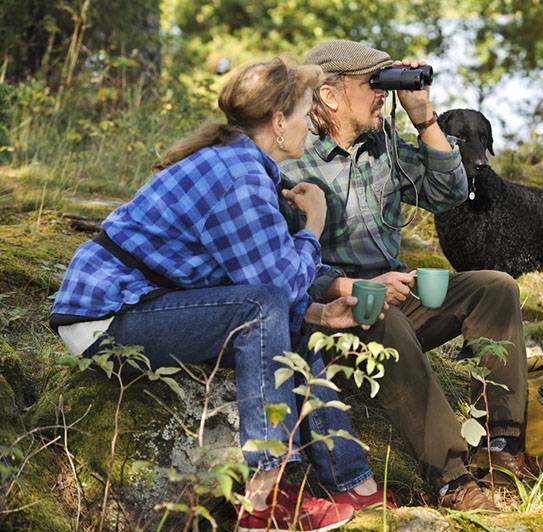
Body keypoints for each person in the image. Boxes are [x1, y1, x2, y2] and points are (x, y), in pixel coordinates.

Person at [49, 58, 392, 532]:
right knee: (263, 307)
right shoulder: (239, 177)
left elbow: (263, 275)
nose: (311, 124)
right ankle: (264, 499)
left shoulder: (242, 165)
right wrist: (315, 222)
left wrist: (315, 311)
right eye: (305, 111)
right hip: (105, 319)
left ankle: (351, 483)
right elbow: (272, 289)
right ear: (277, 123)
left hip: (139, 307)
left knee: (283, 315)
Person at [279, 40, 530, 511]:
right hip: (330, 313)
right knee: (383, 317)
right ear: (329, 96)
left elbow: (450, 190)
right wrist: (353, 287)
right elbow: (280, 263)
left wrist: (424, 118)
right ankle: (452, 479)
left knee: (495, 287)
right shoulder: (291, 160)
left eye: (385, 80)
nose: (382, 93)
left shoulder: (383, 146)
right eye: (373, 83)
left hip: (393, 294)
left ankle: (501, 449)